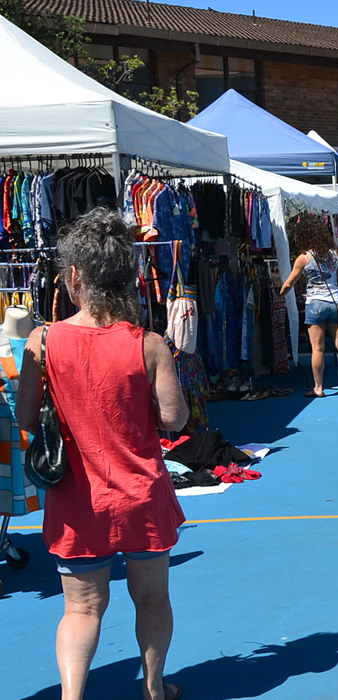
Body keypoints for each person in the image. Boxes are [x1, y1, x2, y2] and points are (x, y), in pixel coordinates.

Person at [16, 209, 188, 700]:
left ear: (75, 277)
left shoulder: (43, 340)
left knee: (81, 609)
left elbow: (27, 420)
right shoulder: (148, 344)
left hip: (77, 500)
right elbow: (174, 419)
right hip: (140, 494)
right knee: (152, 596)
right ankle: (153, 689)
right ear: (128, 277)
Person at [279, 216, 338, 398]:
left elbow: (289, 283)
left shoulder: (304, 258)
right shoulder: (335, 253)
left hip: (315, 303)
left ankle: (318, 388)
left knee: (317, 348)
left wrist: (279, 293)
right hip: (335, 302)